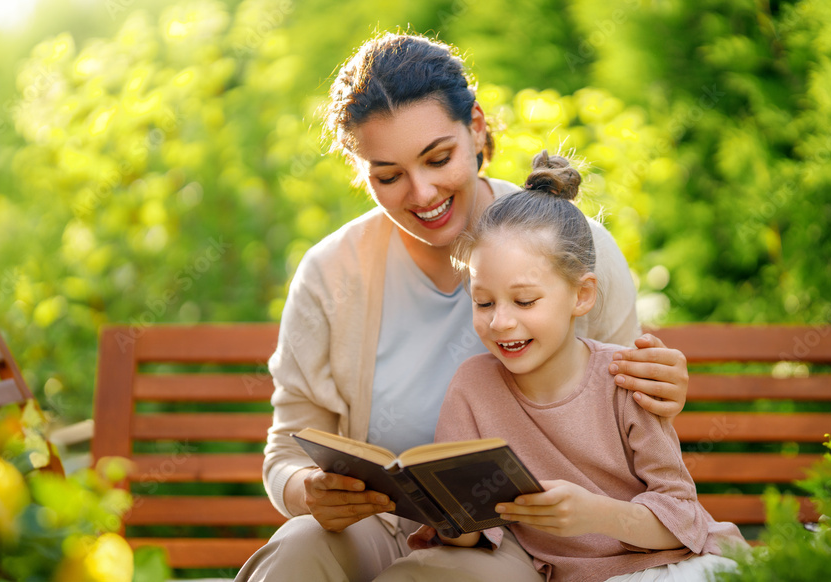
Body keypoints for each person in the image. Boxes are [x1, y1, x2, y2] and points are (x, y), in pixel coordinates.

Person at [236, 33, 692, 582]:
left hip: (529, 539)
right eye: (388, 175)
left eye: (438, 158)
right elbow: (287, 448)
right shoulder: (332, 272)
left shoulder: (573, 247)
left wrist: (664, 389)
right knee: (299, 548)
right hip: (385, 525)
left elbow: (618, 400)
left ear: (475, 127)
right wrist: (307, 491)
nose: (422, 192)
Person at [380, 151, 746, 582]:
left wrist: (596, 515)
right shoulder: (473, 386)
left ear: (581, 295)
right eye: (483, 302)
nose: (500, 321)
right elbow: (468, 538)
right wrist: (445, 512)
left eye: (525, 301)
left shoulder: (624, 378)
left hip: (669, 567)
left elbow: (682, 519)